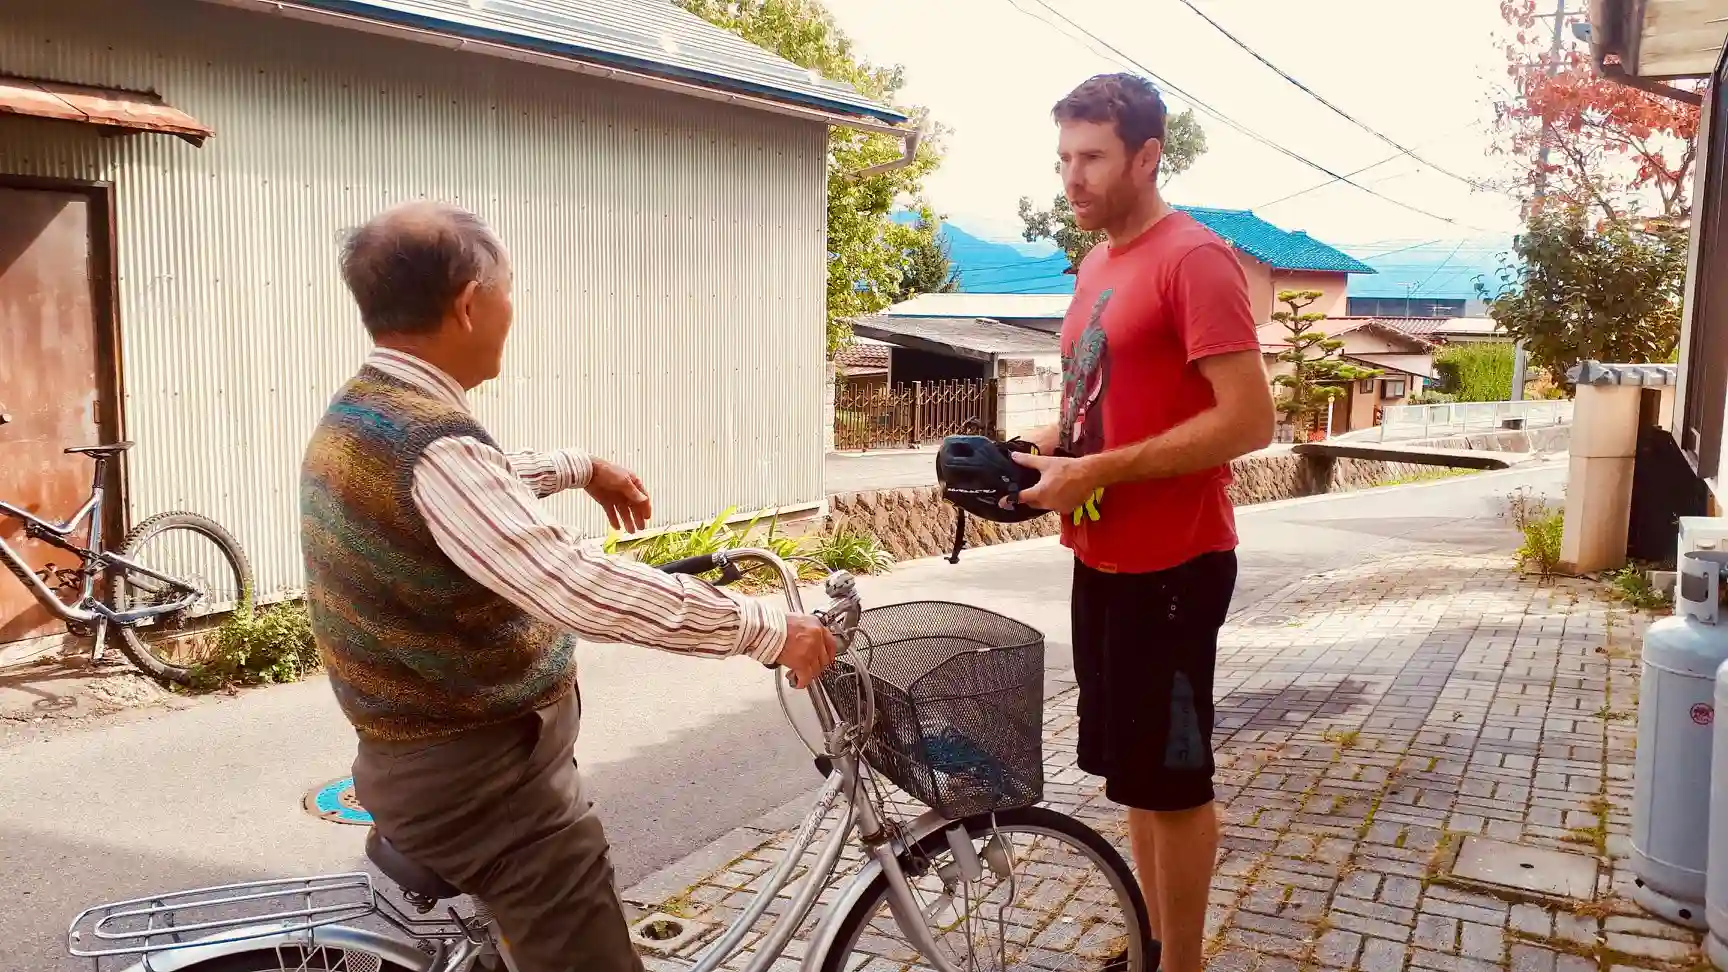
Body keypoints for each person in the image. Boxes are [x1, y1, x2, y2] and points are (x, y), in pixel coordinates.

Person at [298, 201, 838, 972]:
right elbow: (573, 583)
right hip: (491, 790)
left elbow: (470, 499)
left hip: (420, 763)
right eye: (509, 290)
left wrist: (580, 466)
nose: (512, 310)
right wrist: (766, 628)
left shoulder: (364, 415)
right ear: (469, 303)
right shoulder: (431, 443)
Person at [1010, 74, 1276, 972]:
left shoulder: (1193, 259)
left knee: (1174, 776)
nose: (1071, 179)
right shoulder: (1096, 265)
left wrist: (1100, 468)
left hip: (1176, 561)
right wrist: (1036, 447)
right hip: (1105, 555)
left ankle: (1184, 964)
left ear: (1147, 156)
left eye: (1090, 158)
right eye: (1063, 160)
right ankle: (1153, 941)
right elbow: (1095, 401)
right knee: (1133, 773)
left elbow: (1249, 420)